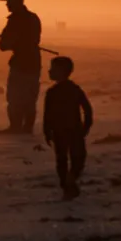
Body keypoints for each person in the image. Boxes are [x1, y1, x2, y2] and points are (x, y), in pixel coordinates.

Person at [43, 56, 93, 199]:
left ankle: (68, 184)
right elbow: (88, 110)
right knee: (74, 159)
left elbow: (48, 115)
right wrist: (86, 126)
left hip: (65, 131)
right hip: (72, 130)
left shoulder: (54, 92)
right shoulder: (73, 89)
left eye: (52, 69)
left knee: (63, 160)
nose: (49, 71)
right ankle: (69, 184)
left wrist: (47, 131)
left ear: (62, 71)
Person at [0, 0, 43, 134]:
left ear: (15, 3)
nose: (6, 5)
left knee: (15, 96)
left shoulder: (15, 20)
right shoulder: (33, 18)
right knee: (29, 97)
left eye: (8, 2)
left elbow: (3, 45)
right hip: (33, 61)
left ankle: (16, 127)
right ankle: (26, 128)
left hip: (20, 63)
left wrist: (8, 41)